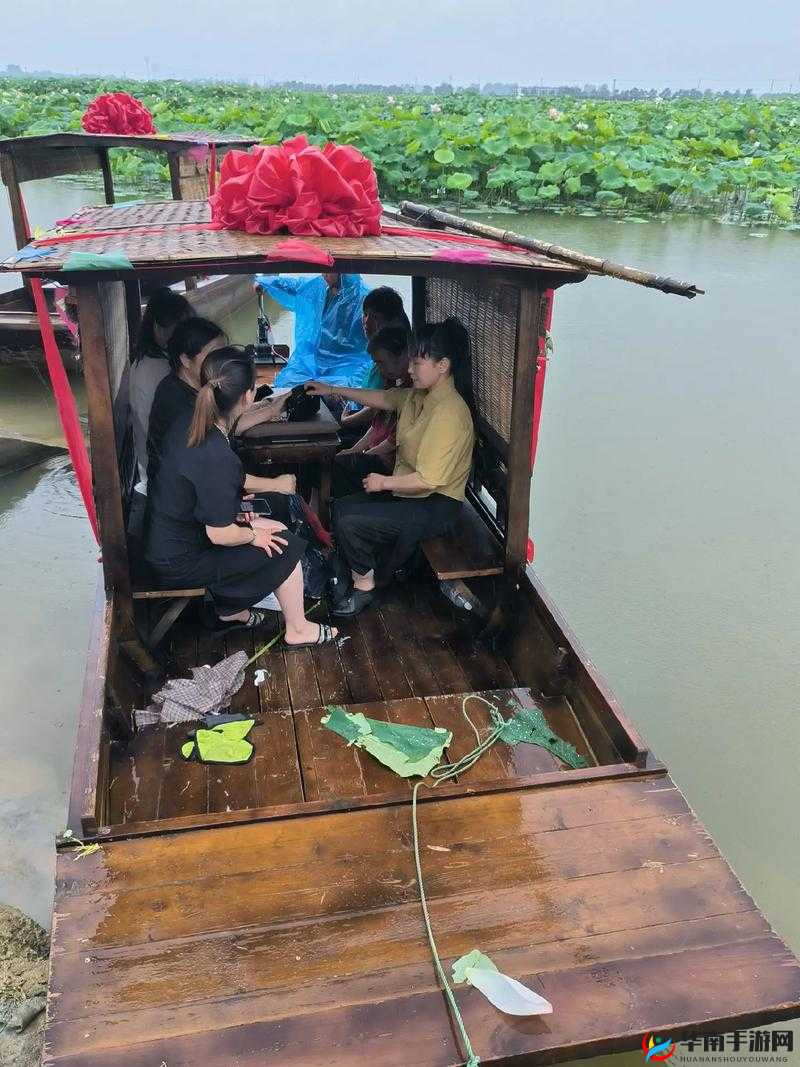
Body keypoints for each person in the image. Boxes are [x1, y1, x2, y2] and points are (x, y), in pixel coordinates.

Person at [146, 345, 338, 645]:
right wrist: (251, 536)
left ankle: (231, 611)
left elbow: (205, 491)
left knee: (275, 527)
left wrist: (241, 516)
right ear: (249, 396)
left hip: (172, 540)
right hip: (181, 562)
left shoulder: (191, 422)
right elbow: (220, 535)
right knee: (285, 546)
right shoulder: (216, 453)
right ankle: (298, 629)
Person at [307, 318, 475, 616]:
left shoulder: (450, 413)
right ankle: (368, 568)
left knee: (350, 523)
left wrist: (383, 483)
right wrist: (331, 388)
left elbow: (428, 479)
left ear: (443, 365)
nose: (409, 370)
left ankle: (366, 588)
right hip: (412, 494)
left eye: (417, 362)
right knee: (343, 508)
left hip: (435, 505)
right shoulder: (418, 396)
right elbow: (382, 398)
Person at [253, 273, 371, 389]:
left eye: (328, 272)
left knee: (347, 389)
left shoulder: (364, 297)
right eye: (323, 271)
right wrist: (265, 282)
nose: (324, 275)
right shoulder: (318, 286)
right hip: (313, 358)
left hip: (348, 361)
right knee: (288, 383)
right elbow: (294, 285)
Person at [332, 323, 411, 497]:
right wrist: (354, 450)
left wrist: (363, 454)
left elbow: (392, 442)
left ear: (402, 357)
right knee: (331, 453)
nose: (380, 370)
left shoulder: (410, 393)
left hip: (389, 465)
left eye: (382, 363)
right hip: (376, 452)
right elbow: (376, 427)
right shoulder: (392, 384)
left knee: (333, 466)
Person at [128, 288, 192, 489]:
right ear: (158, 327)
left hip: (156, 465)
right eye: (180, 327)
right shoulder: (160, 370)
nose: (185, 335)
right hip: (164, 474)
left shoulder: (151, 359)